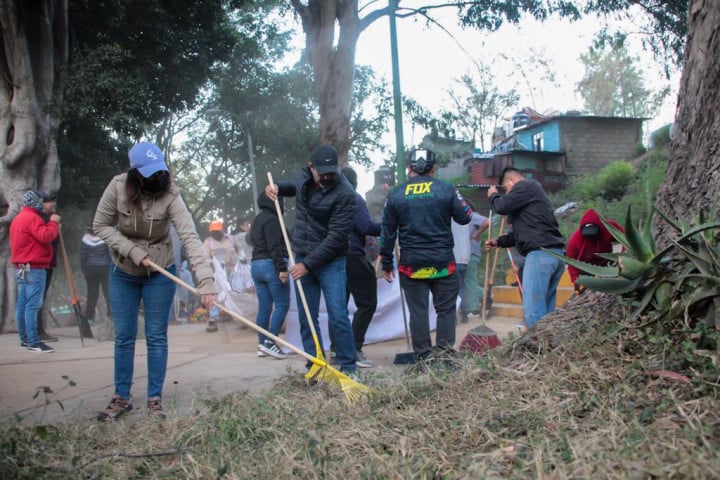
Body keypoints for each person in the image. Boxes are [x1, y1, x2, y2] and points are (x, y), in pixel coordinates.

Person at [93, 141, 217, 421]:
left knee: (156, 336)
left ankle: (154, 398)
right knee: (124, 335)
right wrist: (132, 250)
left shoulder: (171, 194)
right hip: (123, 270)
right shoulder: (116, 187)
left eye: (160, 172)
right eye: (150, 174)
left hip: (160, 272)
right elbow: (100, 226)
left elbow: (190, 237)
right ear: (135, 174)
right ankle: (121, 397)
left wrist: (205, 280)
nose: (157, 179)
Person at [264, 144, 358, 374]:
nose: (326, 177)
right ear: (311, 167)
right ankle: (315, 364)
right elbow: (292, 186)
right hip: (302, 254)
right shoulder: (304, 176)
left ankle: (348, 366)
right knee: (307, 316)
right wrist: (276, 188)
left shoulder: (345, 194)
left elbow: (336, 238)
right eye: (322, 172)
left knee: (338, 314)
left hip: (330, 262)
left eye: (331, 173)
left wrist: (306, 265)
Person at [379, 148, 474, 364]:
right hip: (443, 264)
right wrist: (458, 196)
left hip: (411, 266)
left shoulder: (395, 194)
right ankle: (445, 358)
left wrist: (386, 263)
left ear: (409, 168)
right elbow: (465, 217)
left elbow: (386, 232)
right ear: (433, 168)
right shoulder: (447, 189)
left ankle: (423, 359)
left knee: (418, 312)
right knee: (446, 311)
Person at [485, 167, 565, 330]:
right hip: (554, 254)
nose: (507, 193)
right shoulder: (532, 199)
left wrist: (493, 195)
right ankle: (548, 348)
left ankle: (538, 349)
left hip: (540, 254)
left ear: (511, 181)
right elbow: (519, 234)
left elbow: (501, 206)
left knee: (534, 312)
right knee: (546, 314)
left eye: (506, 189)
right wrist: (498, 242)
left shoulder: (526, 186)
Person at [10, 190, 62, 353]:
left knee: (23, 304)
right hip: (34, 267)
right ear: (36, 202)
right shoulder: (33, 218)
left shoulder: (18, 219)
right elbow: (46, 236)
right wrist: (53, 223)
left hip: (21, 267)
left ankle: (25, 339)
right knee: (32, 305)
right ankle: (34, 341)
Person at [341, 166, 381, 368]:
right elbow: (366, 227)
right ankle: (354, 349)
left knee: (338, 307)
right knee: (367, 303)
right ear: (354, 182)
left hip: (333, 259)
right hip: (352, 256)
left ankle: (338, 352)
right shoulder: (354, 199)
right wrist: (386, 225)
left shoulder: (331, 200)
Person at [249, 192, 290, 359]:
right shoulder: (272, 220)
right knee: (282, 304)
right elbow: (274, 246)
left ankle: (262, 344)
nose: (284, 205)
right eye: (282, 202)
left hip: (256, 266)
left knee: (264, 307)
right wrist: (282, 268)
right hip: (270, 265)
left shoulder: (257, 220)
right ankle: (270, 342)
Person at [566, 208, 623, 294]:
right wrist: (576, 281)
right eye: (587, 235)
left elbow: (626, 239)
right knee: (581, 290)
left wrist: (622, 257)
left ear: (600, 228)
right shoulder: (574, 242)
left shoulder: (609, 227)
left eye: (593, 234)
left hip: (606, 263)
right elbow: (571, 264)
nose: (591, 238)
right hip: (586, 267)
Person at [203, 220, 240, 332]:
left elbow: (240, 251)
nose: (215, 234)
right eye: (213, 232)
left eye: (217, 231)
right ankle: (213, 319)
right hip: (217, 273)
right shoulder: (208, 242)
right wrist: (212, 266)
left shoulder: (231, 239)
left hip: (233, 271)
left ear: (222, 230)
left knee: (237, 293)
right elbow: (205, 257)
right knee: (216, 295)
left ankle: (241, 318)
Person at [454, 209, 490, 322]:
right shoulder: (458, 217)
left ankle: (473, 310)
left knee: (470, 282)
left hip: (471, 254)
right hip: (463, 255)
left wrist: (477, 234)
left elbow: (487, 221)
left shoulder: (471, 215)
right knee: (466, 283)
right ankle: (485, 294)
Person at [36, 193, 60, 343]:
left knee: (38, 298)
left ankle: (37, 330)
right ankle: (37, 331)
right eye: (50, 202)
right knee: (37, 299)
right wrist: (53, 224)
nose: (53, 204)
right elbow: (46, 237)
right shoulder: (40, 219)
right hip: (40, 264)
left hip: (47, 263)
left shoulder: (46, 218)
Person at [80, 226, 112, 323]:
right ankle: (111, 313)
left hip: (90, 269)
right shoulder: (105, 237)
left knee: (92, 293)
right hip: (105, 268)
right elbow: (109, 254)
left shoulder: (85, 239)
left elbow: (83, 256)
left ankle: (89, 316)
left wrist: (83, 269)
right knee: (108, 292)